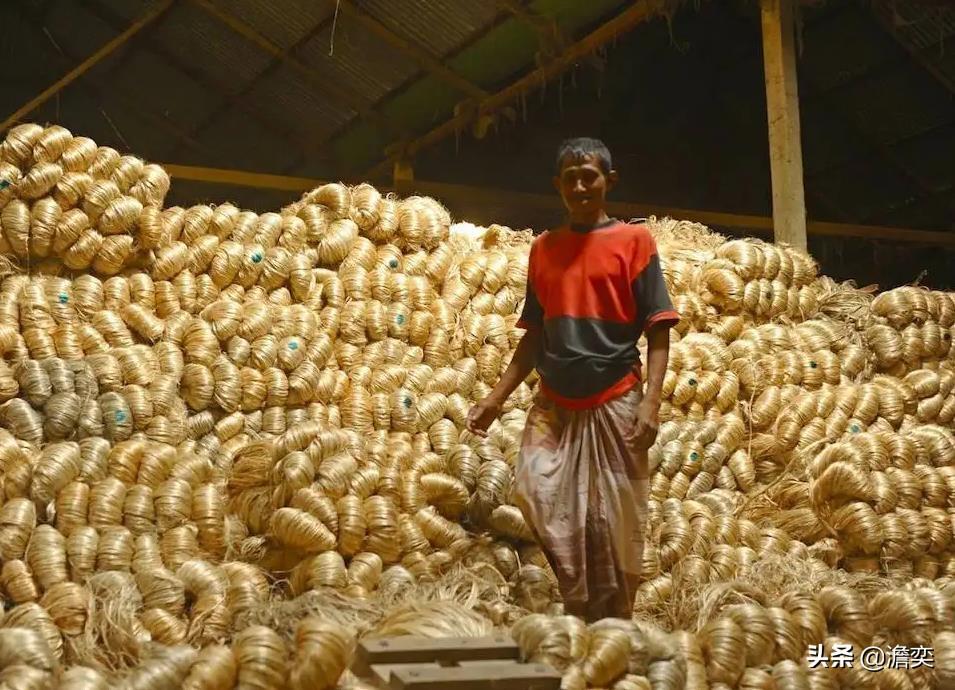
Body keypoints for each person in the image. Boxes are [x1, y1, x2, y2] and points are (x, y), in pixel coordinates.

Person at [465, 137, 678, 623]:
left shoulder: (634, 242)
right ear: (557, 185)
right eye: (570, 177)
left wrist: (651, 403)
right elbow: (535, 335)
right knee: (537, 492)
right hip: (555, 401)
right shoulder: (544, 249)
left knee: (612, 521)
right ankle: (578, 600)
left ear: (609, 181)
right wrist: (496, 398)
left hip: (616, 398)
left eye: (590, 176)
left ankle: (614, 620)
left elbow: (659, 326)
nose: (580, 186)